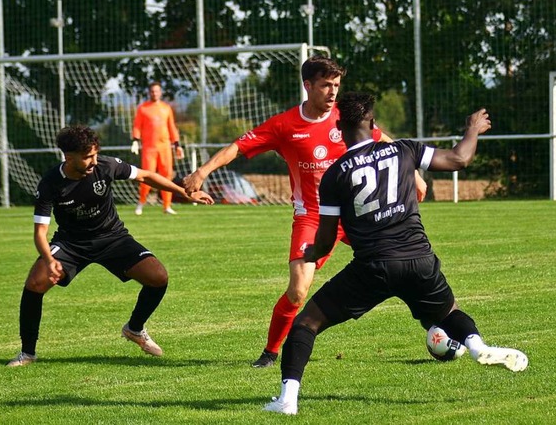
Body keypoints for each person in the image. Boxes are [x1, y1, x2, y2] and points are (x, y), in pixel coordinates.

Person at [263, 92, 528, 415]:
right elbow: (459, 159)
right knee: (448, 311)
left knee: (307, 323)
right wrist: (472, 128)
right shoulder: (403, 150)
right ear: (373, 124)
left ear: (339, 128)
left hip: (372, 267)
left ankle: (287, 401)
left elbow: (327, 237)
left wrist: (308, 252)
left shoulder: (335, 174)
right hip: (419, 260)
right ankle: (477, 345)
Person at [182, 56, 428, 368]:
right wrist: (202, 173)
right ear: (307, 85)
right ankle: (271, 353)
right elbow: (237, 147)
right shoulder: (284, 125)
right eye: (326, 85)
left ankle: (440, 322)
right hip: (311, 217)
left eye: (337, 85)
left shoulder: (345, 117)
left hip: (356, 215)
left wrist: (415, 173)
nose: (332, 92)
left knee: (402, 263)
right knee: (298, 292)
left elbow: (384, 140)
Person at [6, 125, 213, 367]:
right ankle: (27, 353)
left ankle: (134, 329)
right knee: (35, 282)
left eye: (95, 154)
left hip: (112, 237)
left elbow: (146, 175)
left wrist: (184, 193)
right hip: (72, 243)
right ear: (68, 157)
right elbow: (40, 232)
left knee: (158, 277)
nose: (94, 161)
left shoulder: (105, 165)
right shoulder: (50, 183)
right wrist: (50, 260)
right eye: (87, 157)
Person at [131, 81, 185, 215]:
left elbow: (171, 127)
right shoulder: (143, 108)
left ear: (160, 92)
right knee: (147, 176)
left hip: (165, 147)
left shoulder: (166, 108)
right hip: (149, 148)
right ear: (149, 93)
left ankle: (167, 206)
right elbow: (137, 126)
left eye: (157, 91)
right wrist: (135, 141)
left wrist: (177, 144)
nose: (155, 93)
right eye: (152, 91)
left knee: (167, 176)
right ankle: (141, 202)